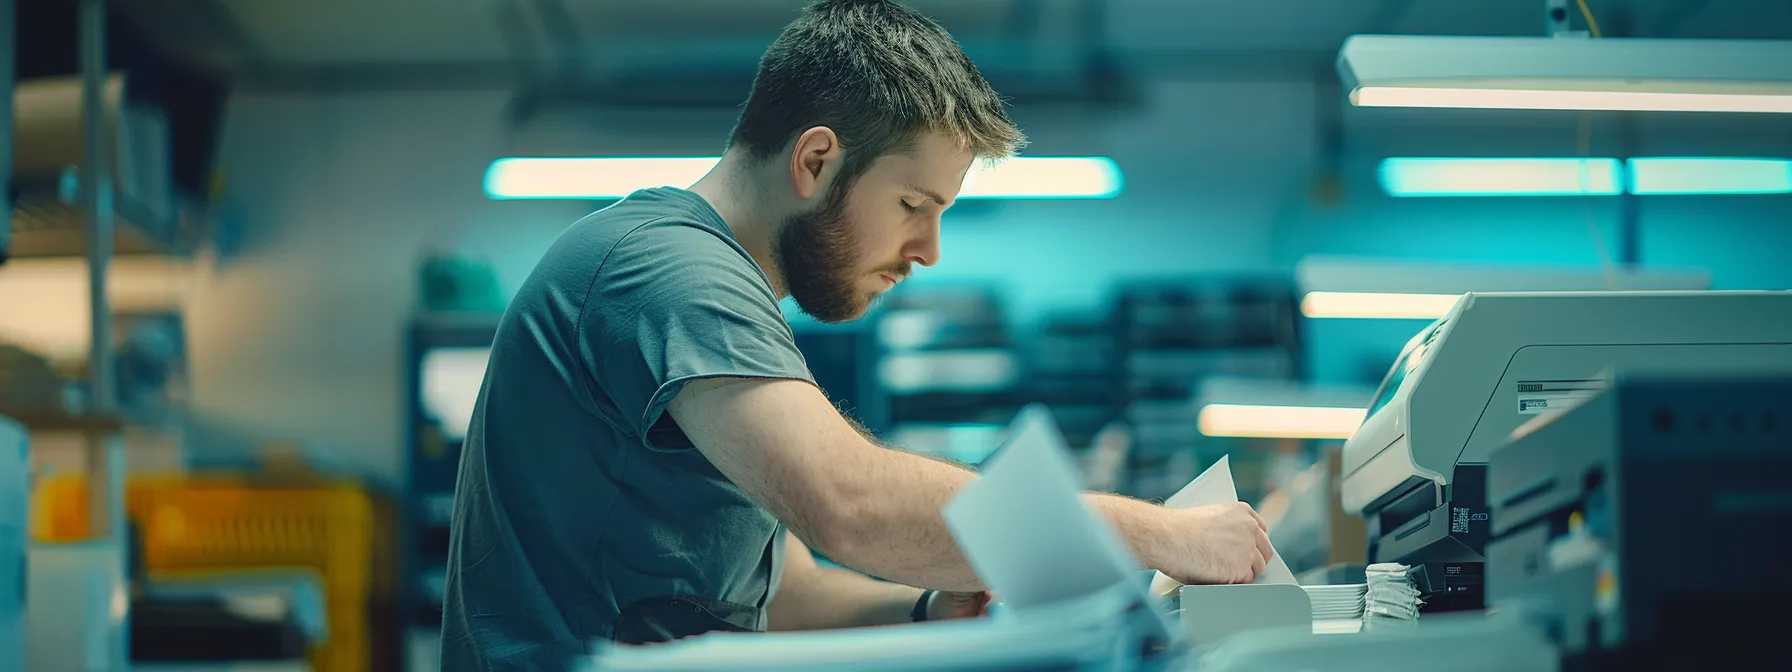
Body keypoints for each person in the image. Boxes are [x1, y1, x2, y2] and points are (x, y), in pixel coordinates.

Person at [440, 0, 1273, 669]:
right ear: (816, 161)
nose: (929, 251)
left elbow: (777, 593)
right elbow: (850, 503)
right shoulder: (668, 271)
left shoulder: (720, 294)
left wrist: (926, 606)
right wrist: (1164, 536)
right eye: (914, 205)